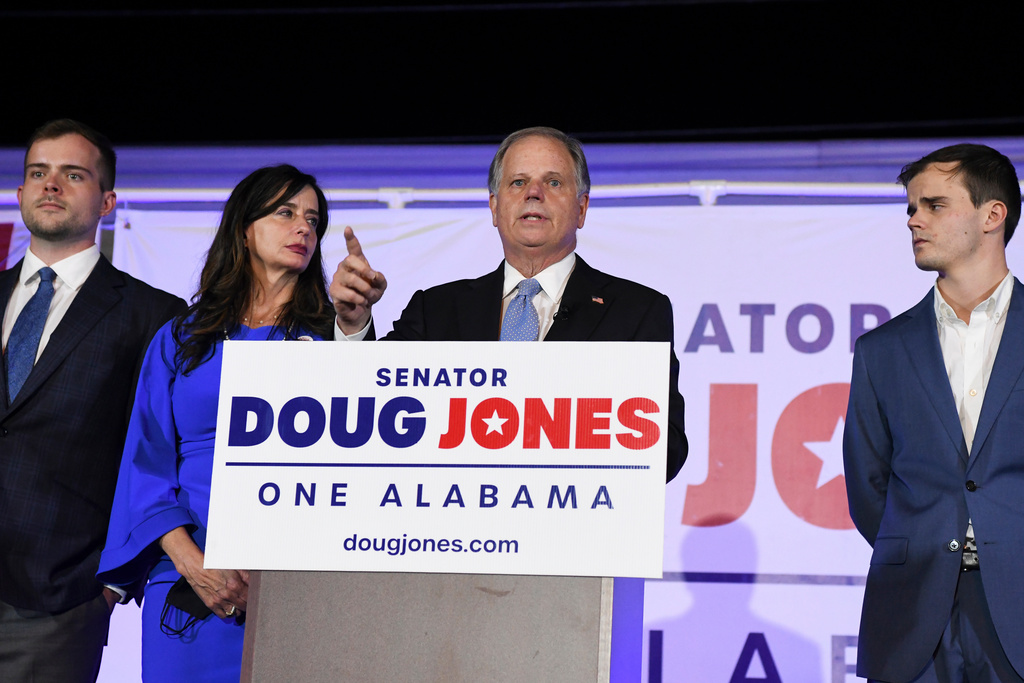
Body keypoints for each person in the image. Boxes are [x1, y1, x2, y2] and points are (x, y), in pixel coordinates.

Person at [332, 125, 686, 480]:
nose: (533, 193)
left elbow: (665, 450)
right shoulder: (436, 309)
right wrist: (354, 324)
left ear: (581, 208)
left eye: (553, 182)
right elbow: (368, 415)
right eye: (518, 182)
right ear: (494, 207)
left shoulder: (637, 310)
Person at [97, 164, 338, 682]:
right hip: (187, 582)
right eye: (286, 212)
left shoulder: (329, 342)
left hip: (295, 590)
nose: (304, 229)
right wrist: (191, 560)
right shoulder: (181, 338)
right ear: (244, 229)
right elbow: (147, 458)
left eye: (314, 221)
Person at [0, 119, 185, 682]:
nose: (50, 185)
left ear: (106, 200)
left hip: (58, 604)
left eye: (71, 174)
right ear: (20, 192)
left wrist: (111, 583)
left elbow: (159, 452)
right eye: (39, 173)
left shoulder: (154, 315)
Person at [844, 144, 1024, 682]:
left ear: (993, 215)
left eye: (934, 206)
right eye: (911, 208)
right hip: (912, 611)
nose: (914, 220)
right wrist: (925, 540)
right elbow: (867, 484)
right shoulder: (882, 348)